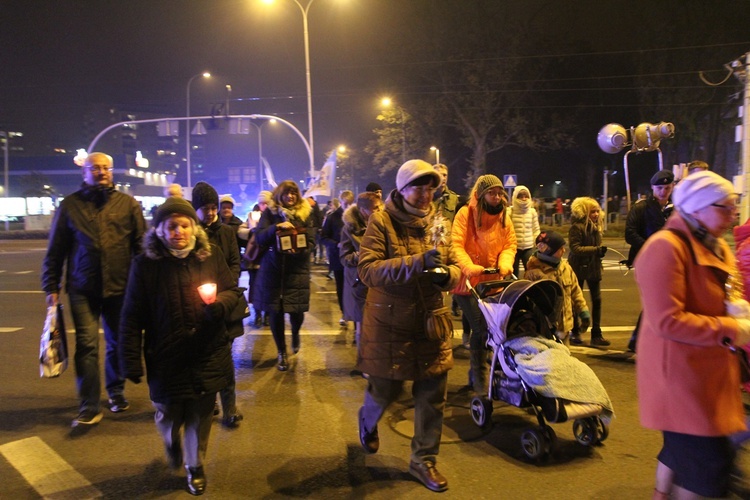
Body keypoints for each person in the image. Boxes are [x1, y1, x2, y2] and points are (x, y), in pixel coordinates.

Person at [634, 170, 749, 499]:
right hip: (680, 381)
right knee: (708, 470)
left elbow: (727, 293)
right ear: (697, 208)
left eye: (734, 206)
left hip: (706, 376)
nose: (734, 215)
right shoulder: (664, 248)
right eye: (725, 207)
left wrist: (736, 307)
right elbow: (667, 321)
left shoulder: (717, 247)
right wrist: (732, 328)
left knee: (703, 464)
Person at [118, 197, 240, 496]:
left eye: (185, 225)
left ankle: (194, 466)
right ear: (159, 230)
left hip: (207, 351)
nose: (179, 232)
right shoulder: (145, 265)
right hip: (165, 355)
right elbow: (132, 315)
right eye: (172, 226)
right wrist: (130, 359)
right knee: (168, 414)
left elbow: (234, 292)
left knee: (200, 415)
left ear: (194, 227)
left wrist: (220, 306)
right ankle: (171, 442)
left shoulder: (209, 256)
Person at [357, 159, 461, 493]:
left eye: (431, 186)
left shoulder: (438, 222)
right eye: (419, 185)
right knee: (386, 389)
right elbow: (369, 270)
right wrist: (417, 263)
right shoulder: (381, 221)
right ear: (402, 189)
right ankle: (367, 421)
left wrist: (450, 276)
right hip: (390, 322)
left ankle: (423, 460)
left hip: (431, 320)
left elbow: (457, 264)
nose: (427, 193)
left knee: (433, 393)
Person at [41, 152, 146, 427]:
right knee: (87, 345)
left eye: (105, 168)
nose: (101, 172)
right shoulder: (70, 206)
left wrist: (144, 282)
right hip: (82, 287)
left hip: (121, 286)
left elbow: (141, 248)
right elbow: (55, 251)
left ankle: (116, 392)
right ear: (84, 172)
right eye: (95, 168)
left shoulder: (128, 204)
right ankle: (88, 404)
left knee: (116, 343)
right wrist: (51, 286)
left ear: (111, 172)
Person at [451, 174, 516, 397]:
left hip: (493, 281)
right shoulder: (465, 214)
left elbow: (509, 244)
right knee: (480, 329)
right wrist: (468, 266)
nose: (497, 197)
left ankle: (485, 374)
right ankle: (479, 377)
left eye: (500, 193)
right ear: (481, 195)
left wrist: (505, 263)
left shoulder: (504, 217)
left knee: (493, 329)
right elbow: (457, 245)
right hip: (467, 282)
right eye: (492, 192)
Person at [191, 182, 243, 427]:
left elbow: (235, 263)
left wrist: (226, 289)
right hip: (199, 307)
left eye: (214, 207)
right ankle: (209, 401)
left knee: (225, 356)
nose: (211, 213)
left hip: (224, 304)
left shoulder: (226, 233)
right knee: (203, 356)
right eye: (205, 208)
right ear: (196, 209)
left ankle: (229, 406)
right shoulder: (190, 233)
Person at [253, 180, 313, 371]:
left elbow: (311, 240)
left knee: (297, 312)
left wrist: (300, 250)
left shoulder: (305, 215)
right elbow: (260, 237)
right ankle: (282, 352)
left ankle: (295, 332)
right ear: (279, 194)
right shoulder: (270, 213)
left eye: (294, 193)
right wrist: (276, 227)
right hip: (273, 271)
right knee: (275, 312)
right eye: (286, 193)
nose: (290, 196)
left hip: (297, 271)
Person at [624, 169, 674, 352]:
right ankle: (638, 340)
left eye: (667, 187)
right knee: (655, 299)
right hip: (647, 260)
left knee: (662, 300)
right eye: (659, 188)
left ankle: (642, 340)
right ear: (653, 188)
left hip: (670, 261)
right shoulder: (642, 207)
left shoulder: (675, 208)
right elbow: (630, 233)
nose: (663, 191)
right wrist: (650, 247)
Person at [523, 231, 590, 345]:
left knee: (565, 360)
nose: (564, 251)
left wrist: (583, 311)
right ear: (549, 251)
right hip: (546, 331)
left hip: (565, 328)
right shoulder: (533, 273)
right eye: (560, 249)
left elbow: (575, 292)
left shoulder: (565, 268)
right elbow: (529, 303)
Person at [339, 191, 383, 354]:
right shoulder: (349, 228)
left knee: (378, 325)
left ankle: (375, 361)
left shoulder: (383, 223)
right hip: (359, 282)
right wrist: (361, 255)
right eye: (376, 208)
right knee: (362, 325)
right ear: (364, 210)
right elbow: (344, 258)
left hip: (379, 279)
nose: (379, 211)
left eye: (380, 207)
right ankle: (363, 361)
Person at [568, 196, 610, 346]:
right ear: (585, 212)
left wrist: (599, 252)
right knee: (575, 301)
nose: (596, 215)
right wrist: (596, 250)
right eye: (593, 212)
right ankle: (575, 332)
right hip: (578, 267)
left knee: (597, 300)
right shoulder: (577, 227)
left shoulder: (596, 226)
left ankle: (596, 334)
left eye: (598, 211)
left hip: (593, 267)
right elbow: (575, 248)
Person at [321, 190, 355, 327]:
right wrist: (336, 244)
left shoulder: (357, 215)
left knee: (355, 286)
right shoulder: (333, 217)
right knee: (341, 286)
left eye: (349, 204)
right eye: (344, 204)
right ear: (340, 202)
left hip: (354, 258)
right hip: (338, 257)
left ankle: (355, 314)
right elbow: (323, 237)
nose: (347, 206)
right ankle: (344, 313)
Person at [242, 191, 272, 327]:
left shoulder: (274, 216)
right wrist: (251, 231)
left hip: (270, 259)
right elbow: (240, 231)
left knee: (269, 288)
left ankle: (268, 315)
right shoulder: (252, 215)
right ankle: (258, 314)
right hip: (254, 260)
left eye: (266, 203)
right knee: (254, 288)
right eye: (261, 203)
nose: (263, 206)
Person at [508, 185, 540, 277]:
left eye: (526, 196)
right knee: (513, 273)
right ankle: (514, 290)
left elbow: (536, 229)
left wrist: (537, 244)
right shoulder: (511, 211)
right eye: (521, 196)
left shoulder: (532, 212)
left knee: (530, 272)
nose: (524, 198)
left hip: (528, 247)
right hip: (514, 248)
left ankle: (530, 290)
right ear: (515, 197)